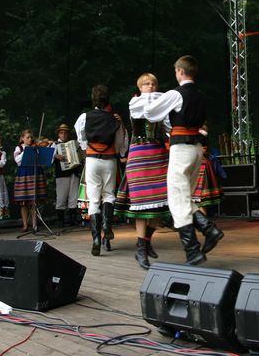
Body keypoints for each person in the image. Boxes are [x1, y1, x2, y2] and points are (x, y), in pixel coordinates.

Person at [144, 55, 223, 266]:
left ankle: (193, 251)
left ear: (180, 71)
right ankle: (208, 229)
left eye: (176, 71)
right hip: (197, 148)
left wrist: (152, 101)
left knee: (177, 200)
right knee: (185, 197)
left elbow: (150, 113)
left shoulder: (176, 94)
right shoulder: (200, 95)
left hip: (181, 149)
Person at [115, 73, 171, 269]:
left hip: (158, 155)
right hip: (139, 156)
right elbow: (148, 108)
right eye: (146, 84)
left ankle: (146, 242)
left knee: (160, 205)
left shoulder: (161, 105)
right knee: (141, 204)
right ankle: (141, 249)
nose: (151, 86)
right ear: (139, 88)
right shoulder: (136, 102)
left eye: (154, 83)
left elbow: (168, 127)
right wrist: (164, 101)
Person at [75, 84, 128, 256]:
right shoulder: (115, 119)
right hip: (109, 160)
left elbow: (81, 137)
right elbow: (121, 143)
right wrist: (118, 151)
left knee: (94, 199)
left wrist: (88, 148)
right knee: (109, 195)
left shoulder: (85, 117)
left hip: (92, 160)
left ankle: (96, 239)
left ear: (93, 99)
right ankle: (106, 225)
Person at [13, 129, 48, 233]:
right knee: (23, 201)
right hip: (24, 174)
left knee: (34, 201)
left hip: (35, 173)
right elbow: (17, 161)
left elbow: (44, 159)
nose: (29, 139)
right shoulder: (19, 148)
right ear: (22, 138)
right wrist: (26, 150)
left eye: (31, 137)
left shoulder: (36, 147)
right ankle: (25, 225)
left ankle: (34, 225)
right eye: (27, 137)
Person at [52, 123, 82, 228]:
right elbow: (49, 157)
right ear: (58, 134)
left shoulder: (73, 143)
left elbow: (80, 154)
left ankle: (73, 219)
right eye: (61, 133)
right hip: (62, 174)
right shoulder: (55, 144)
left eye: (65, 133)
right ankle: (60, 221)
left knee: (74, 197)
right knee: (61, 197)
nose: (63, 134)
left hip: (74, 173)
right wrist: (56, 155)